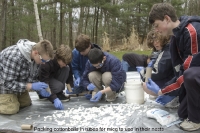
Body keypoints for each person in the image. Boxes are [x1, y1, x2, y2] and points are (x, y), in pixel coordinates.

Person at [148, 3, 200, 131]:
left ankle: (196, 121)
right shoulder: (175, 38)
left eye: (156, 25)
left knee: (190, 75)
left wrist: (162, 91)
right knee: (182, 113)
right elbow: (178, 69)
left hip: (195, 74)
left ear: (167, 18)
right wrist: (167, 88)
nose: (156, 30)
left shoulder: (191, 31)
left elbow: (188, 71)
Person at [0, 39, 54, 114]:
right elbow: (7, 83)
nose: (44, 63)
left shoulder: (37, 57)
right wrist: (30, 86)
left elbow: (32, 77)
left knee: (25, 103)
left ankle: (14, 96)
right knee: (11, 109)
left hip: (18, 83)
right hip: (3, 83)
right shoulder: (14, 57)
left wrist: (39, 88)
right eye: (43, 61)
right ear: (36, 53)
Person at [39, 45, 73, 110]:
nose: (65, 64)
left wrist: (70, 87)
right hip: (43, 81)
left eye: (67, 63)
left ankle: (59, 93)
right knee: (58, 86)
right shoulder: (47, 63)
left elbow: (70, 74)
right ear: (58, 58)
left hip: (53, 78)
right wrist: (54, 99)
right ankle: (42, 93)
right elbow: (45, 82)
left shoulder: (66, 60)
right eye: (64, 63)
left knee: (66, 68)